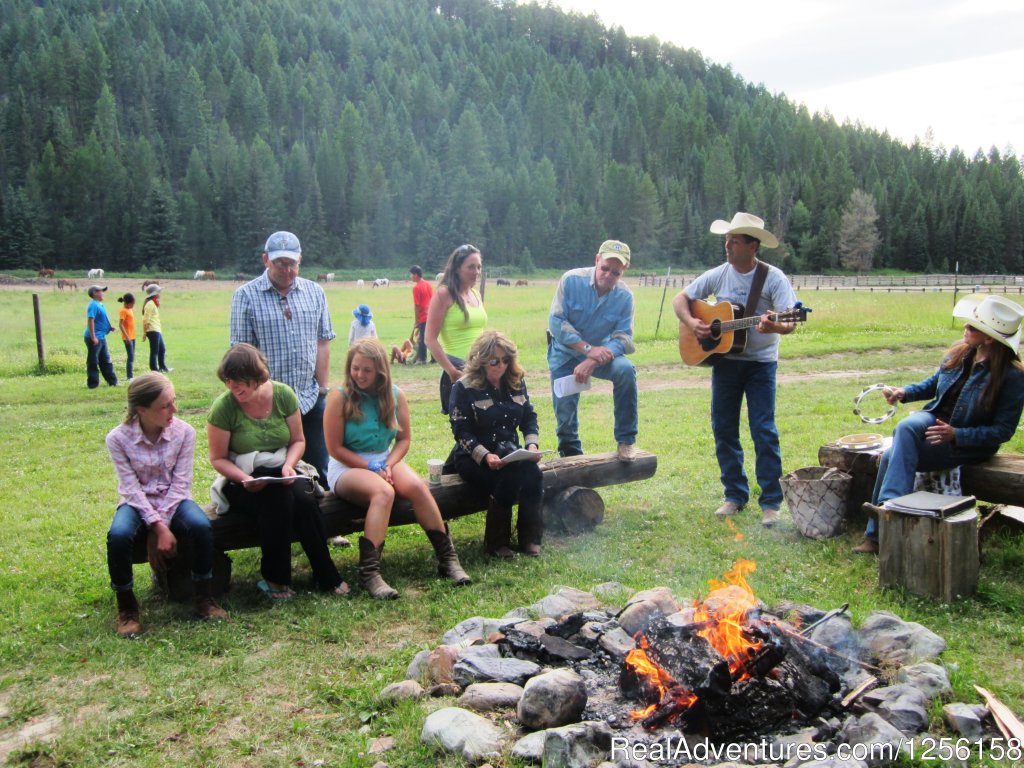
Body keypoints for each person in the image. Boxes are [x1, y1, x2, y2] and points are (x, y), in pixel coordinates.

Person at [854, 294, 1024, 554]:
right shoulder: (961, 353)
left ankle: (877, 533)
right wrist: (905, 392)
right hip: (936, 421)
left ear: (989, 337)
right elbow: (934, 384)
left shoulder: (1012, 377)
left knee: (891, 456)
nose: (965, 328)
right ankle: (889, 507)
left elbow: (1002, 431)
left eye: (972, 326)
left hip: (965, 443)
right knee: (907, 427)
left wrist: (956, 434)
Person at [673, 212, 797, 527]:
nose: (727, 246)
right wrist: (693, 323)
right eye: (727, 240)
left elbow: (791, 321)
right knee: (724, 428)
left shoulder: (774, 278)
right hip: (726, 363)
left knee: (763, 430)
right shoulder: (719, 274)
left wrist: (775, 327)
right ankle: (734, 494)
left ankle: (770, 503)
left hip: (760, 365)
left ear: (753, 246)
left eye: (734, 241)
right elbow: (680, 299)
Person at [324, 338, 471, 599]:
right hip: (347, 466)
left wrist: (387, 464)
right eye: (355, 368)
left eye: (367, 370)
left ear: (380, 370)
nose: (359, 374)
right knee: (384, 493)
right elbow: (335, 448)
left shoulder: (394, 394)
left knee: (417, 486)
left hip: (383, 460)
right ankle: (370, 573)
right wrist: (371, 466)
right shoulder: (339, 397)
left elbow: (403, 440)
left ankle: (448, 559)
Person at [206, 344, 348, 601]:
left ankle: (326, 574)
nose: (234, 388)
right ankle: (276, 578)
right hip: (242, 475)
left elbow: (298, 440)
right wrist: (245, 479)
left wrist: (288, 465)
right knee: (278, 499)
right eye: (229, 381)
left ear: (257, 378)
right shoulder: (223, 407)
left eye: (241, 382)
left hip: (281, 466)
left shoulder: (283, 394)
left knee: (305, 500)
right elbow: (218, 458)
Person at [105, 373, 227, 638]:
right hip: (136, 502)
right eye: (165, 405)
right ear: (141, 410)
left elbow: (181, 484)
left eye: (174, 401)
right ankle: (127, 608)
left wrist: (160, 524)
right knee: (118, 536)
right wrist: (157, 527)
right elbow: (130, 489)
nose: (175, 409)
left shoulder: (184, 432)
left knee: (201, 527)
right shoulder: (117, 438)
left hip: (174, 499)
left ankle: (203, 597)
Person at [230, 231, 335, 487]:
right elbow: (242, 354)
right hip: (268, 404)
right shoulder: (246, 296)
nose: (287, 270)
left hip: (310, 398)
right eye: (280, 263)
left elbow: (323, 342)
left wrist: (322, 388)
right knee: (276, 472)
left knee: (320, 466)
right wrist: (254, 398)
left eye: (292, 263)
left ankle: (322, 525)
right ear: (266, 260)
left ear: (300, 261)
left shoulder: (315, 292)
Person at [450, 331, 544, 558]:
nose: (500, 365)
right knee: (507, 478)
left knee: (535, 475)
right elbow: (461, 431)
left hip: (509, 452)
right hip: (471, 455)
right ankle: (497, 542)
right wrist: (485, 456)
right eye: (494, 361)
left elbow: (529, 418)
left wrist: (531, 447)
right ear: (481, 360)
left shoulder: (516, 381)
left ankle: (530, 538)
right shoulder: (463, 387)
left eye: (505, 360)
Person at [548, 239, 638, 461]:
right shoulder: (571, 281)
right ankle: (571, 457)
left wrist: (593, 359)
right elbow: (556, 322)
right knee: (565, 412)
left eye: (615, 272)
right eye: (605, 268)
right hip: (565, 353)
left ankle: (626, 440)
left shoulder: (625, 297)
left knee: (625, 370)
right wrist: (587, 349)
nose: (608, 275)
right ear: (597, 260)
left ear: (624, 271)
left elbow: (624, 337)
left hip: (601, 354)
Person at [425, 244, 487, 414]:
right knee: (466, 427)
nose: (476, 272)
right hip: (459, 367)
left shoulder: (476, 294)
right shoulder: (444, 294)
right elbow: (429, 339)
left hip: (482, 366)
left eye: (479, 267)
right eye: (471, 267)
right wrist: (451, 370)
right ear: (457, 268)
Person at [84, 284, 118, 388]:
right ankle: (93, 384)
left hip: (101, 337)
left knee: (106, 360)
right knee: (93, 361)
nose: (102, 293)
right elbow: (91, 320)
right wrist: (93, 336)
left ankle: (113, 382)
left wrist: (109, 327)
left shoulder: (100, 304)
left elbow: (100, 320)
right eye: (100, 291)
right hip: (95, 338)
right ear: (94, 293)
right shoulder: (93, 305)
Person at [142, 284, 172, 373]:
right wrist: (144, 332)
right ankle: (154, 369)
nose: (160, 293)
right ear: (154, 293)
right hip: (152, 330)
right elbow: (145, 319)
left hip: (156, 329)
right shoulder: (150, 304)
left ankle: (163, 367)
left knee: (162, 349)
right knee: (154, 351)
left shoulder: (154, 303)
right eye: (158, 292)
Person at [409, 265, 433, 364]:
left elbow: (417, 305)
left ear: (415, 275)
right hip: (431, 314)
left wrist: (417, 320)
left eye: (411, 274)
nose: (410, 276)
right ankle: (435, 358)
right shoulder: (428, 284)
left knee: (423, 338)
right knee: (432, 337)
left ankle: (422, 359)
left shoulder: (416, 288)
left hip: (423, 316)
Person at [117, 292, 136, 383]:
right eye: (132, 303)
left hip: (132, 336)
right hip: (128, 337)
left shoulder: (130, 309)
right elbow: (120, 325)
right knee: (131, 356)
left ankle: (130, 375)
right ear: (128, 303)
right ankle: (129, 376)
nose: (133, 305)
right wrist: (127, 337)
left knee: (132, 356)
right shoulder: (123, 311)